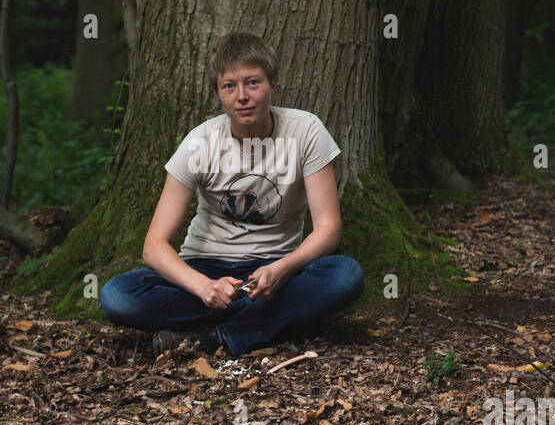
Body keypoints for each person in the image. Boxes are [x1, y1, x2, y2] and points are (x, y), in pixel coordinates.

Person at [99, 31, 365, 357]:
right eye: (229, 86)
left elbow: (328, 229)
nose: (242, 96)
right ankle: (261, 324)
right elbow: (154, 247)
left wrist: (282, 269)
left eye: (253, 83)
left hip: (274, 270)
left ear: (273, 83)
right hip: (205, 267)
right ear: (217, 93)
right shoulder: (199, 143)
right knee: (118, 295)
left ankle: (216, 335)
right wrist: (204, 287)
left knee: (345, 275)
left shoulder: (306, 131)